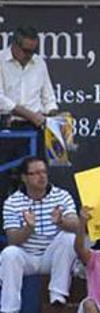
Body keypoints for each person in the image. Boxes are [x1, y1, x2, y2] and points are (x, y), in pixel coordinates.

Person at [0, 157, 77, 313]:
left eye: (43, 172)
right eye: (35, 173)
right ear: (24, 178)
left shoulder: (61, 195)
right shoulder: (12, 202)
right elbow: (12, 239)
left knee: (68, 238)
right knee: (9, 254)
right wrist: (29, 228)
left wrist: (61, 221)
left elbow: (76, 225)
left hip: (52, 256)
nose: (41, 177)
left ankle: (57, 294)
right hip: (26, 256)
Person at [0, 27, 60, 202]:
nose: (30, 55)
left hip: (33, 129)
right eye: (26, 51)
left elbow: (48, 97)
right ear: (15, 46)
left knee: (36, 180)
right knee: (2, 180)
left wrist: (55, 116)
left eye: (34, 51)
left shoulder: (39, 63)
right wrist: (29, 114)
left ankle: (34, 224)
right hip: (6, 126)